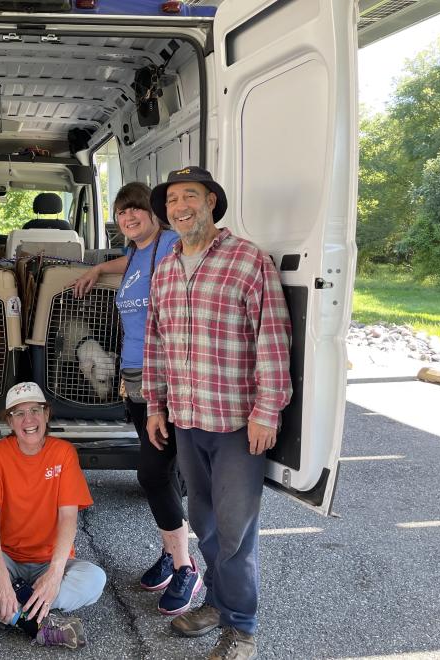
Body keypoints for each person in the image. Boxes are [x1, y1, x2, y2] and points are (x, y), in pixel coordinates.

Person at [143, 167, 292, 660]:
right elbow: (156, 342)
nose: (179, 206)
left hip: (235, 422)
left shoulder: (248, 261)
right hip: (186, 419)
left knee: (236, 529)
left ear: (211, 202)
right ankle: (218, 606)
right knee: (203, 523)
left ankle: (242, 630)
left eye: (190, 196)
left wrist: (267, 412)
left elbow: (272, 340)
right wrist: (156, 404)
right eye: (171, 200)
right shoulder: (165, 266)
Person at [73, 182, 200, 616]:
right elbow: (128, 259)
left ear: (155, 214)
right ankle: (171, 551)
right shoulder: (134, 256)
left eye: (137, 211)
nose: (129, 219)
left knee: (152, 472)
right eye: (122, 213)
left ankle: (185, 565)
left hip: (162, 375)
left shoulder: (169, 244)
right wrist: (95, 271)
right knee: (161, 469)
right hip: (133, 378)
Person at [0, 382, 106, 649]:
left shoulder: (64, 453)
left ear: (46, 414)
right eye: (19, 413)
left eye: (35, 410)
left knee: (95, 580)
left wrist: (54, 574)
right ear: (9, 420)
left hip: (49, 562)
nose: (28, 419)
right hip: (7, 559)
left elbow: (68, 518)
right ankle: (35, 624)